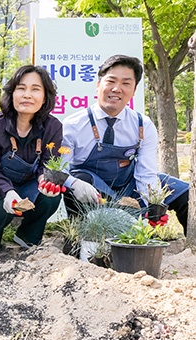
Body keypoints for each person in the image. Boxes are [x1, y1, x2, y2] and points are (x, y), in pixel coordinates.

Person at [61, 54, 189, 234]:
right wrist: (73, 183)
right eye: (111, 81)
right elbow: (61, 170)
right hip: (95, 190)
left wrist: (152, 204)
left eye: (126, 83)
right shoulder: (73, 125)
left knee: (187, 194)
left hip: (130, 184)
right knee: (80, 180)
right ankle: (84, 239)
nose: (117, 89)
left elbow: (146, 172)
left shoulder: (142, 125)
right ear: (98, 85)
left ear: (134, 90)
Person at [0, 65, 63, 257]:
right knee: (3, 209)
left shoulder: (53, 127)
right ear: (12, 93)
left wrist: (43, 181)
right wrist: (8, 192)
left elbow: (48, 164)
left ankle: (28, 235)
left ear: (46, 97)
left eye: (35, 89)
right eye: (21, 88)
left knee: (51, 196)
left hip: (29, 184)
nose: (27, 95)